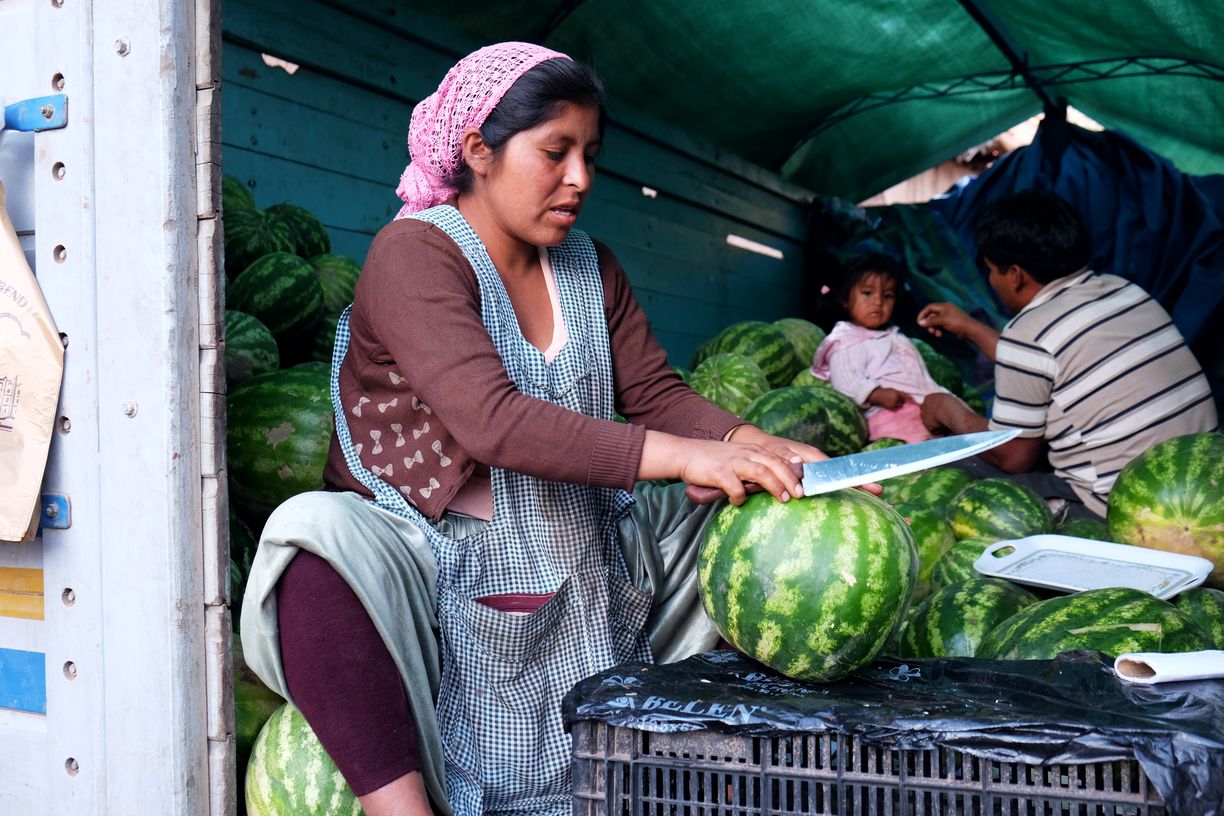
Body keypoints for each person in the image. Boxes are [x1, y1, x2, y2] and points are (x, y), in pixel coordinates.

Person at [240, 42, 845, 816]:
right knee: (310, 534)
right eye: (555, 152)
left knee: (746, 509)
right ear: (478, 152)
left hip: (579, 546)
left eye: (590, 155)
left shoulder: (593, 268)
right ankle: (403, 805)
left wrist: (743, 444)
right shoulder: (413, 256)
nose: (580, 179)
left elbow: (656, 391)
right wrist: (684, 454)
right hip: (432, 565)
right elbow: (491, 422)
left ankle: (692, 757)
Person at [917, 188, 1218, 518]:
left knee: (949, 468)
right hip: (1208, 484)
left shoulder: (1028, 332)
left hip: (1131, 507)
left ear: (1015, 275)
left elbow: (1012, 456)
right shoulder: (1124, 290)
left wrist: (948, 410)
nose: (991, 280)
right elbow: (1043, 363)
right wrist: (969, 327)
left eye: (991, 270)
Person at [810, 254, 949, 443]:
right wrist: (875, 394)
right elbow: (845, 380)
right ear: (845, 299)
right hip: (890, 416)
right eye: (867, 293)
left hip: (925, 409)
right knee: (920, 454)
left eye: (887, 296)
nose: (878, 302)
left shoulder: (894, 336)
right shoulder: (846, 339)